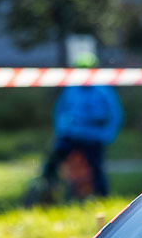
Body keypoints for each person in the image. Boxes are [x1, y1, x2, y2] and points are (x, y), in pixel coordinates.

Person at [42, 56, 122, 198]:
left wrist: (107, 135)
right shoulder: (71, 89)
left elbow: (114, 115)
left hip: (93, 137)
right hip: (71, 135)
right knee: (53, 160)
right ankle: (47, 187)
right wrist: (61, 131)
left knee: (96, 167)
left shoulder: (103, 91)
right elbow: (60, 111)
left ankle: (102, 196)